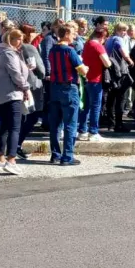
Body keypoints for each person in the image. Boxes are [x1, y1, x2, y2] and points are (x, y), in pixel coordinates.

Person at [0, 29, 31, 175]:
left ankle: (0, 158)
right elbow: (16, 74)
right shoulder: (9, 53)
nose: (21, 42)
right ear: (11, 40)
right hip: (12, 94)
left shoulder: (1, 52)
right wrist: (26, 87)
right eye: (18, 39)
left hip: (1, 95)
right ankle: (11, 159)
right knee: (15, 127)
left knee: (5, 128)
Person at [47, 25, 88, 164]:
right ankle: (67, 156)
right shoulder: (70, 51)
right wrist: (85, 67)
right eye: (73, 33)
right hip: (69, 88)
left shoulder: (52, 50)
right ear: (66, 34)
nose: (74, 36)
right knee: (70, 124)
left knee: (55, 124)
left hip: (54, 87)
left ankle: (55, 154)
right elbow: (82, 70)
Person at [17, 24, 46, 157]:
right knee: (32, 116)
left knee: (23, 116)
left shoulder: (15, 48)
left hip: (19, 83)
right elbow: (40, 69)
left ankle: (14, 145)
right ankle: (17, 144)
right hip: (33, 84)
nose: (36, 35)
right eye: (33, 32)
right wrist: (43, 75)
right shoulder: (29, 47)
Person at [78, 28, 111, 141]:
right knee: (95, 107)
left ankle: (82, 131)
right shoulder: (98, 46)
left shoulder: (87, 44)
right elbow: (107, 63)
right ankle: (93, 132)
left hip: (86, 78)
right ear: (103, 37)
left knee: (85, 107)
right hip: (96, 80)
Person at [103, 22, 133, 132]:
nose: (124, 33)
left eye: (125, 30)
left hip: (110, 71)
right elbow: (124, 54)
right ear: (117, 30)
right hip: (119, 71)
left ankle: (110, 123)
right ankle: (119, 124)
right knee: (121, 98)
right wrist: (130, 62)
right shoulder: (119, 40)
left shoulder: (109, 40)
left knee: (111, 98)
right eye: (122, 30)